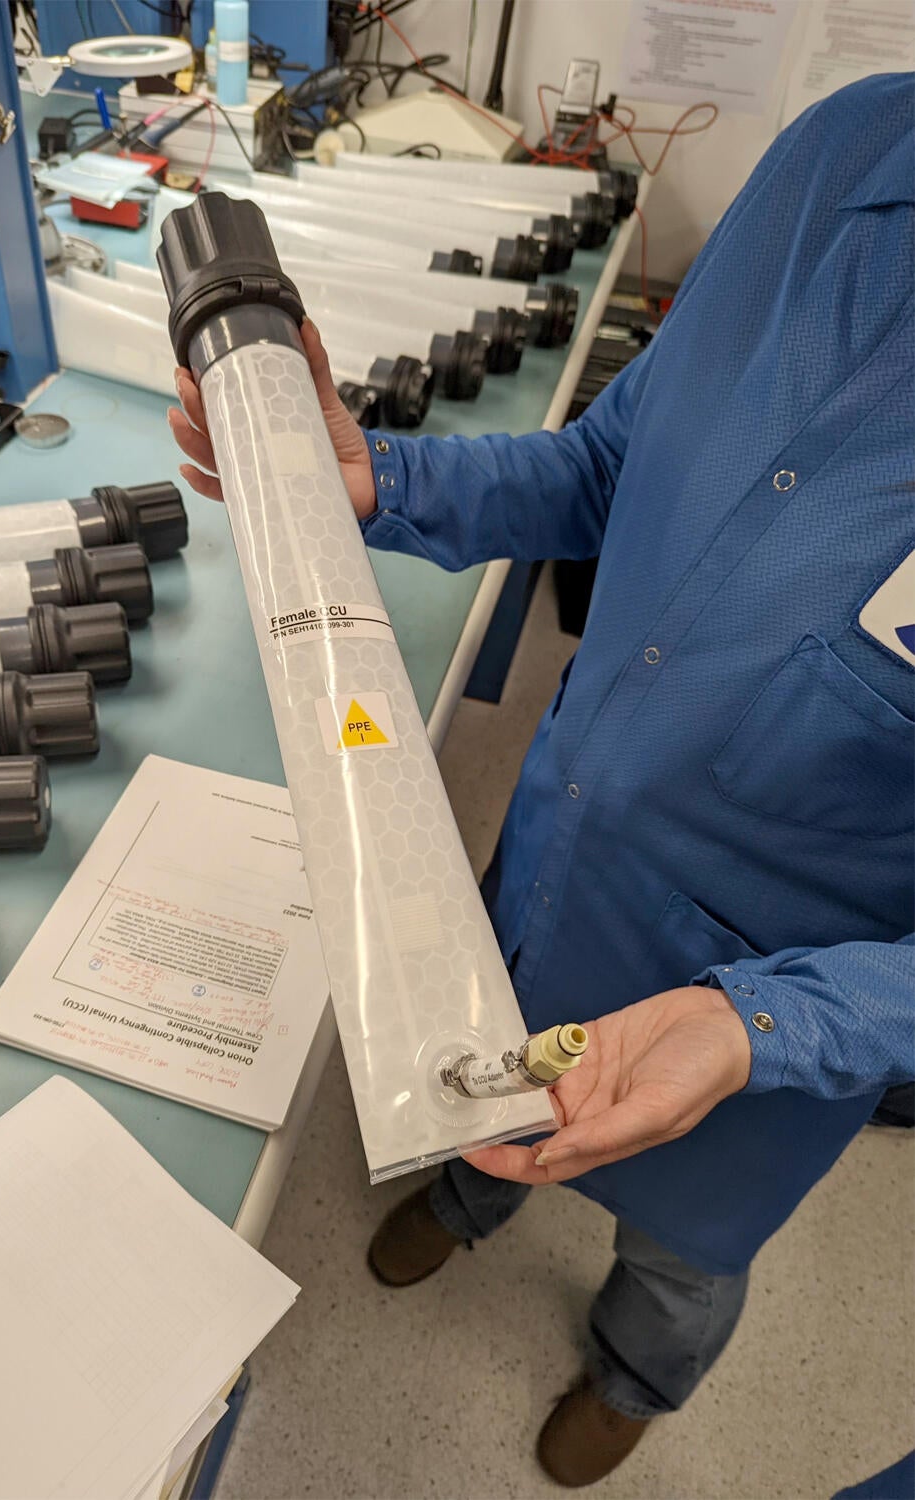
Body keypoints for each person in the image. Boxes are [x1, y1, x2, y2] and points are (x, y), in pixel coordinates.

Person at [170, 72, 915, 1491]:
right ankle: (466, 1198)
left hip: (771, 1021)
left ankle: (637, 1373)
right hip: (559, 864)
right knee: (490, 1084)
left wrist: (762, 1027)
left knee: (682, 1253)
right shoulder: (844, 145)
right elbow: (610, 465)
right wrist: (380, 481)